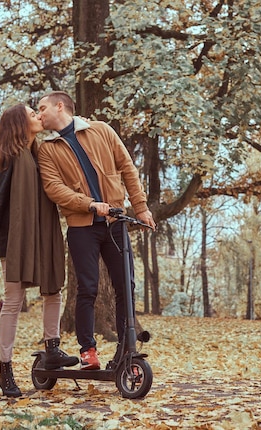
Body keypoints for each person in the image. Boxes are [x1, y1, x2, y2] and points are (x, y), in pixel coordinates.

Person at [36, 91, 156, 370]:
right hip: (82, 228)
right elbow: (54, 189)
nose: (39, 115)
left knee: (126, 286)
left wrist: (140, 207)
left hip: (116, 225)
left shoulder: (101, 130)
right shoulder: (48, 149)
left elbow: (127, 167)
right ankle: (88, 351)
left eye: (42, 108)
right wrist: (89, 204)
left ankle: (126, 347)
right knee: (87, 289)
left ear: (60, 106)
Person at [0, 103, 78, 398]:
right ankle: (5, 369)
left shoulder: (42, 154)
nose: (37, 115)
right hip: (17, 240)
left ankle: (52, 350)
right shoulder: (9, 159)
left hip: (43, 236)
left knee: (53, 291)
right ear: (20, 124)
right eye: (31, 113)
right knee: (13, 301)